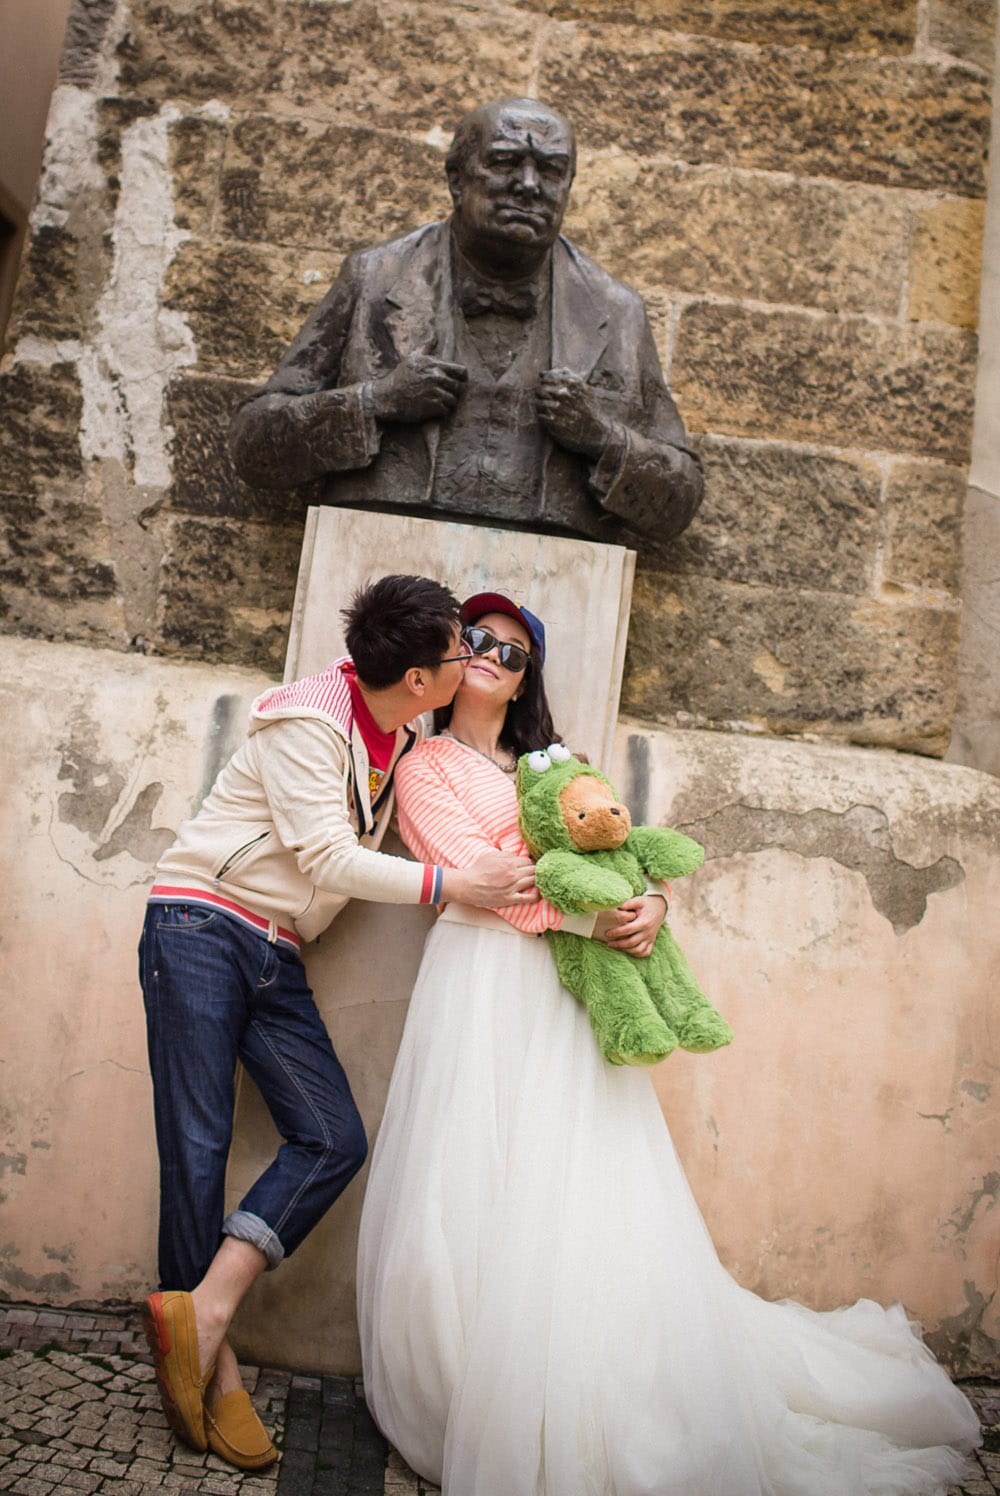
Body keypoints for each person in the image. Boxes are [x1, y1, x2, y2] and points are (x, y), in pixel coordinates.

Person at [356, 592, 981, 1496]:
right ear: (450, 658)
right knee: (470, 1175)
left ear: (530, 678)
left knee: (569, 1178)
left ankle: (587, 1376)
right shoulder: (426, 764)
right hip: (483, 982)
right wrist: (586, 905)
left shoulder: (554, 763)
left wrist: (650, 903)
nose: (493, 655)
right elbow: (481, 879)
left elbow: (618, 852)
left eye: (515, 650)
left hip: (562, 990)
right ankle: (468, 1384)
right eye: (478, 640)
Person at [138, 574, 537, 1473]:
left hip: (276, 950)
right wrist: (447, 885)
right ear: (423, 683)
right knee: (197, 1147)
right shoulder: (311, 722)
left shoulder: (396, 733)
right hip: (201, 924)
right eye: (458, 654)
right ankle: (220, 1372)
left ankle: (202, 1315)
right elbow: (325, 852)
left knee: (331, 1137)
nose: (472, 661)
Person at [228, 97, 703, 544]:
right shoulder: (375, 278)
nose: (530, 185)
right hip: (381, 560)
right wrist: (376, 401)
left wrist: (599, 436)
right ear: (457, 179)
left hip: (558, 580)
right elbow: (254, 446)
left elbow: (679, 499)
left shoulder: (616, 312)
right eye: (504, 162)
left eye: (552, 170)